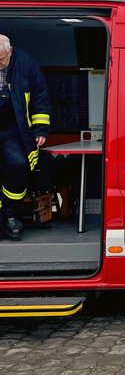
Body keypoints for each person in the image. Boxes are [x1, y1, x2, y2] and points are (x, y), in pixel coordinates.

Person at [0, 35, 50, 240]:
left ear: (10, 51)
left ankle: (11, 214)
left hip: (14, 128)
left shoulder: (26, 63)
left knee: (19, 165)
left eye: (1, 60)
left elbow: (40, 95)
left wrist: (40, 129)